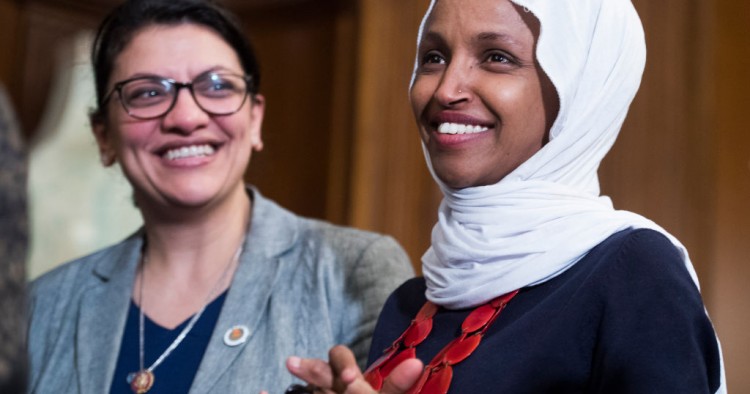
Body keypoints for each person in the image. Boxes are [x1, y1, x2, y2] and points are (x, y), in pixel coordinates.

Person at [285, 0, 726, 393]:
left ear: (579, 89)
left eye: (496, 57)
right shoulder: (409, 303)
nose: (446, 89)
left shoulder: (633, 271)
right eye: (434, 57)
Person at [25, 0, 413, 393]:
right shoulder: (41, 306)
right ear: (103, 136)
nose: (186, 117)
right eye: (147, 93)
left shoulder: (355, 270)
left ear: (255, 119)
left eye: (216, 86)